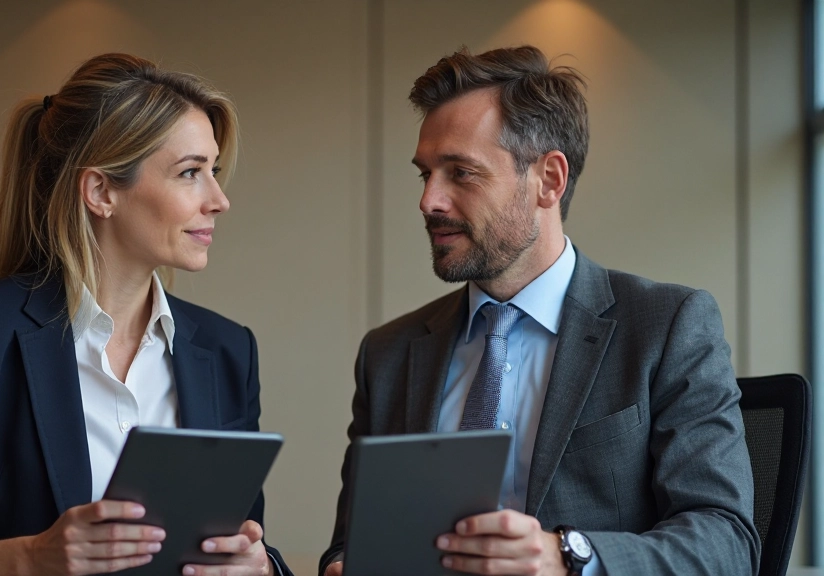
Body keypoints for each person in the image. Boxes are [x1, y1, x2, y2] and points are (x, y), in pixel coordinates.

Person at [320, 46, 758, 576]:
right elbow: (350, 543)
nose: (429, 201)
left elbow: (726, 540)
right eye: (425, 174)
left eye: (461, 173)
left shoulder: (666, 327)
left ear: (549, 179)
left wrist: (566, 556)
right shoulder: (388, 355)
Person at [0, 53, 290, 576]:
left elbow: (245, 541)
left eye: (213, 172)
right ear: (101, 191)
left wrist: (260, 567)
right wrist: (32, 559)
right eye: (191, 173)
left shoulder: (227, 350)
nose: (219, 200)